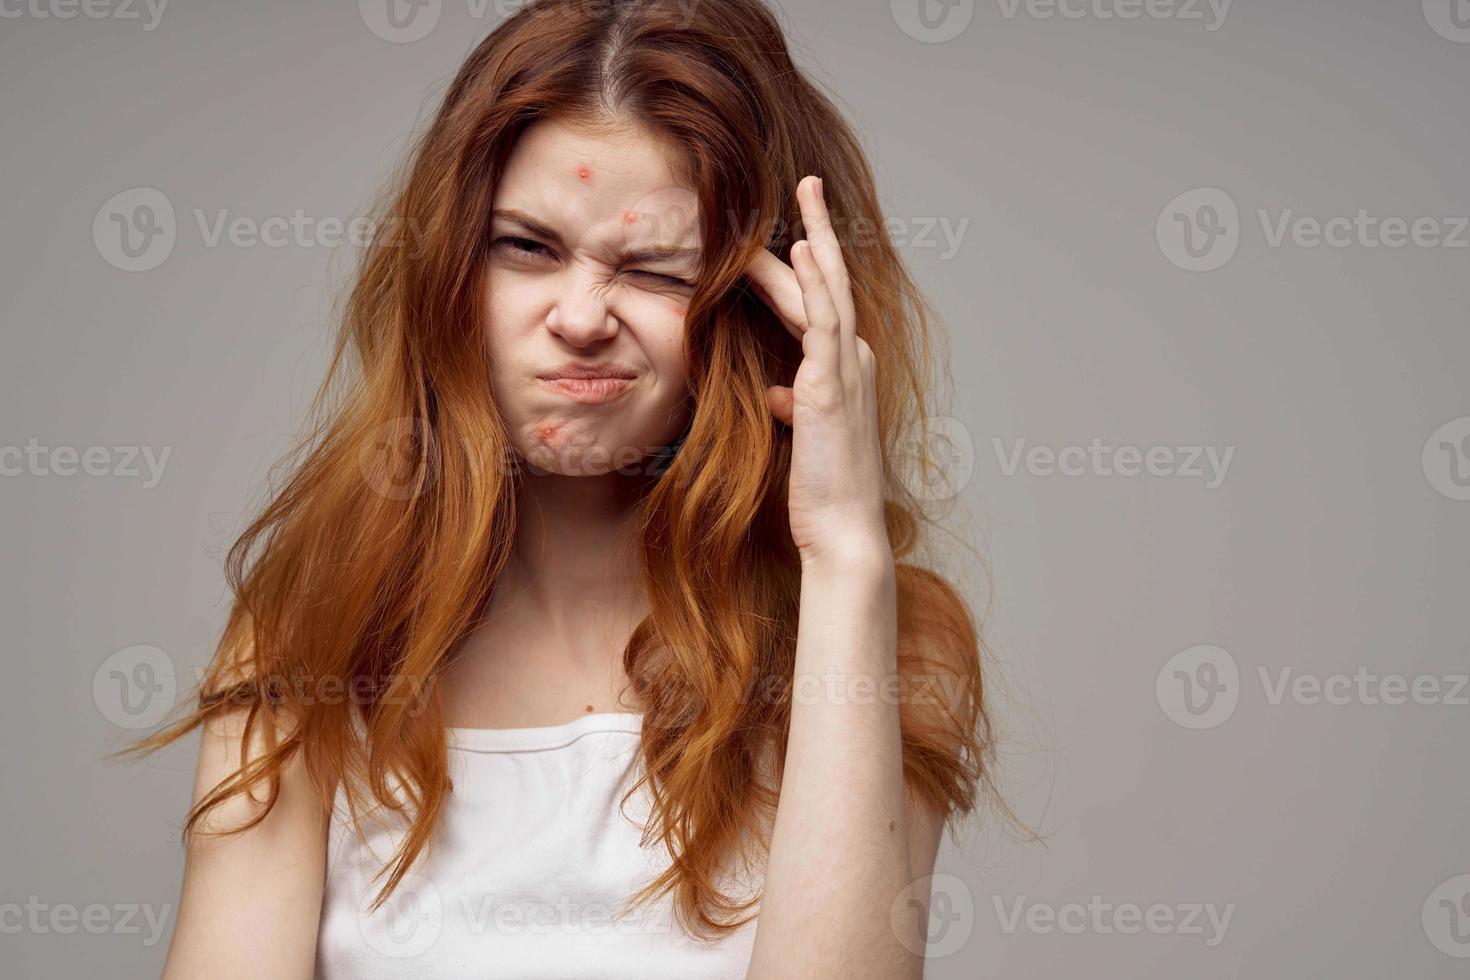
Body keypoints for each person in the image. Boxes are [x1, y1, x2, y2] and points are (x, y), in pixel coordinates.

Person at [114, 1, 1000, 976]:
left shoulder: (892, 634)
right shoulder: (312, 630)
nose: (581, 318)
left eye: (657, 267)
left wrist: (843, 547)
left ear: (764, 309)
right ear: (450, 269)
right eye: (528, 247)